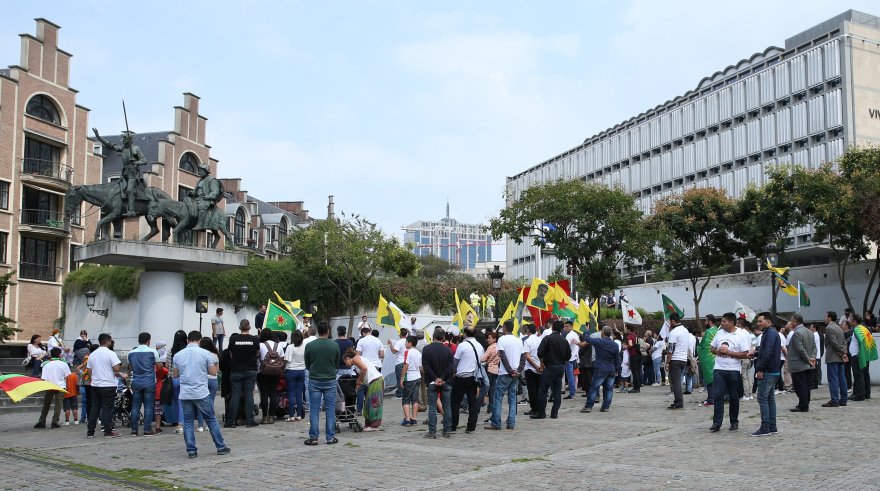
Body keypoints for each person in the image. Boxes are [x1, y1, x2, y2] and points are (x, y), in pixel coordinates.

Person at [173, 330, 230, 458]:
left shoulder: (178, 355)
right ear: (199, 340)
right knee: (211, 419)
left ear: (188, 340)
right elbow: (213, 372)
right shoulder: (205, 354)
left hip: (186, 393)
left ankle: (191, 450)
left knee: (188, 422)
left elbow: (175, 375)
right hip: (201, 392)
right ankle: (220, 446)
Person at [708, 313, 751, 432]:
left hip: (733, 370)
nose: (721, 323)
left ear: (732, 322)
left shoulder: (740, 335)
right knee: (717, 396)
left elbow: (745, 354)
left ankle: (734, 421)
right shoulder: (720, 333)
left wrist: (729, 353)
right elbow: (711, 348)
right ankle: (717, 423)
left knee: (734, 397)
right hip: (719, 369)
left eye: (724, 321)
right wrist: (718, 351)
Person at [92, 128, 146, 216]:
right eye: (123, 139)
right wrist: (98, 136)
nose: (123, 140)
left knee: (129, 190)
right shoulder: (122, 149)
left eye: (125, 138)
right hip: (124, 175)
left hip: (133, 175)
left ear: (129, 140)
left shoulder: (136, 149)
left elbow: (144, 161)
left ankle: (131, 210)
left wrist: (135, 162)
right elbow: (110, 145)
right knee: (115, 190)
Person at [303, 321, 340, 445]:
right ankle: (330, 437)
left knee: (314, 409)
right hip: (330, 379)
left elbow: (307, 363)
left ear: (318, 330)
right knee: (330, 409)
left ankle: (314, 437)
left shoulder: (310, 345)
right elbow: (336, 363)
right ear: (328, 331)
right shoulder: (334, 345)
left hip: (314, 379)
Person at [486, 320, 525, 430]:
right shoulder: (518, 340)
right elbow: (523, 357)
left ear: (504, 328)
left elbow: (502, 356)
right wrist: (517, 370)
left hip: (505, 373)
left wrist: (509, 370)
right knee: (512, 398)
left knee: (498, 398)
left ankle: (496, 423)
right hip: (515, 373)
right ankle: (511, 422)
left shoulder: (502, 340)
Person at [87, 333, 126, 438]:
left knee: (95, 407)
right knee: (107, 408)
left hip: (95, 384)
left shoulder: (92, 354)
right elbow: (116, 369)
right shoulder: (110, 353)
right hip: (108, 384)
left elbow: (89, 370)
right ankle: (108, 431)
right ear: (108, 341)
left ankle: (90, 431)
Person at [751, 312, 782, 436]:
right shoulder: (773, 333)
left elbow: (768, 353)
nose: (758, 324)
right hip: (773, 370)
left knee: (762, 398)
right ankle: (772, 426)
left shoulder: (769, 334)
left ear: (768, 322)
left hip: (768, 371)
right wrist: (756, 353)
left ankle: (765, 427)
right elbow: (767, 351)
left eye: (760, 321)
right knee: (770, 399)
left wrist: (760, 369)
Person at [225, 319, 260, 428]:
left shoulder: (234, 339)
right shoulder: (254, 339)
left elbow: (230, 354)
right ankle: (249, 420)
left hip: (236, 370)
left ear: (240, 327)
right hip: (250, 370)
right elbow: (257, 354)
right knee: (249, 395)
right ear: (249, 327)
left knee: (235, 396)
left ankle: (231, 421)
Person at [580, 326, 622, 413]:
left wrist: (587, 331)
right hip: (611, 369)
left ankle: (588, 406)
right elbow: (617, 359)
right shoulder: (614, 344)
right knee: (609, 388)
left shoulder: (600, 341)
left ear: (602, 333)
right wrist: (617, 370)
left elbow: (587, 339)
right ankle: (606, 407)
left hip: (601, 368)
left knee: (594, 387)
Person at [451, 326, 485, 433]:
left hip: (461, 377)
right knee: (472, 402)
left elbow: (455, 361)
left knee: (455, 402)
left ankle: (453, 425)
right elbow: (482, 362)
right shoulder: (479, 346)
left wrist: (454, 372)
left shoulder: (462, 345)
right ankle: (471, 426)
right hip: (473, 377)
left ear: (465, 334)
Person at [422, 328, 454, 438]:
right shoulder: (448, 350)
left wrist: (435, 378)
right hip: (446, 381)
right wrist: (442, 378)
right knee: (447, 406)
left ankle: (432, 431)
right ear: (443, 337)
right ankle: (447, 430)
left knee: (432, 407)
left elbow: (425, 366)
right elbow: (451, 367)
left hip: (432, 381)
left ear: (433, 336)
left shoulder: (426, 349)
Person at [128, 332, 161, 436]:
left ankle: (134, 430)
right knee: (148, 406)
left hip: (136, 382)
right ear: (148, 341)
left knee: (135, 406)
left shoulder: (131, 352)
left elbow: (131, 367)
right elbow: (159, 367)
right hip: (149, 382)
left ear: (138, 340)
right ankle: (147, 429)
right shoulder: (153, 351)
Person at [534, 321, 569, 419]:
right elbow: (568, 356)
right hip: (560, 367)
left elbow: (540, 352)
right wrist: (563, 364)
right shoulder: (564, 341)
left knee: (543, 390)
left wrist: (542, 362)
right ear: (562, 329)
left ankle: (541, 413)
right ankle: (554, 413)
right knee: (557, 391)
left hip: (549, 367)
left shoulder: (547, 338)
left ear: (552, 327)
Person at [342, 348, 384, 431]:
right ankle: (369, 424)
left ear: (347, 358)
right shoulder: (356, 361)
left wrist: (359, 382)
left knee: (374, 402)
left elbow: (364, 368)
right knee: (368, 402)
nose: (346, 365)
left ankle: (374, 425)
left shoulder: (355, 358)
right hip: (373, 381)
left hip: (375, 380)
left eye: (345, 362)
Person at [34, 347, 70, 429]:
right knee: (58, 405)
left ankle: (42, 421)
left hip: (49, 385)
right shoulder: (64, 364)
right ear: (60, 355)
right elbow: (67, 377)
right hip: (60, 386)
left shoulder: (46, 364)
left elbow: (43, 378)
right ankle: (55, 422)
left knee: (46, 404)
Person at [788, 314, 817, 412]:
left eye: (792, 321)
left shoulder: (797, 333)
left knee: (800, 386)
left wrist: (808, 359)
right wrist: (812, 358)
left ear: (795, 321)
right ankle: (804, 403)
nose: (791, 323)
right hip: (808, 364)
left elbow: (800, 349)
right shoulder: (809, 332)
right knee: (806, 385)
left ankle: (803, 405)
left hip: (799, 364)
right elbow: (814, 347)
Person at [355, 326, 384, 413]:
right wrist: (375, 356)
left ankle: (359, 409)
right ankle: (373, 408)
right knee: (374, 389)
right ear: (369, 331)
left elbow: (358, 355)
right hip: (376, 366)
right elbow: (382, 355)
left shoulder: (361, 341)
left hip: (365, 367)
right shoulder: (378, 340)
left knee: (361, 388)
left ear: (363, 333)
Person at [823, 311, 848, 407]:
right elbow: (844, 342)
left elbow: (834, 343)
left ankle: (834, 400)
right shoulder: (839, 328)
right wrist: (843, 352)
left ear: (830, 318)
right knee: (842, 378)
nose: (825, 318)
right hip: (840, 357)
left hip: (833, 357)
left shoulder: (829, 328)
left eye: (826, 316)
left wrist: (841, 352)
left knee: (833, 379)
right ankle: (844, 399)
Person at [196, 338, 220, 432]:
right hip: (213, 379)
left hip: (203, 379)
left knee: (201, 403)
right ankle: (209, 425)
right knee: (211, 403)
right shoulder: (214, 355)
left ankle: (200, 425)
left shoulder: (199, 354)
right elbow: (217, 370)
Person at [665, 313, 689, 409]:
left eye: (670, 321)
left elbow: (670, 349)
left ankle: (678, 402)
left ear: (673, 321)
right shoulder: (685, 330)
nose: (669, 323)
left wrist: (667, 362)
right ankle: (678, 401)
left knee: (676, 382)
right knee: (678, 381)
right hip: (683, 359)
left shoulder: (674, 332)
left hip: (675, 359)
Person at [257, 329, 281, 424]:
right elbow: (281, 359)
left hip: (263, 372)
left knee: (264, 394)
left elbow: (257, 356)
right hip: (275, 372)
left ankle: (264, 417)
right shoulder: (278, 345)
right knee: (273, 393)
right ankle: (271, 416)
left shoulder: (261, 345)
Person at [191, 163, 224, 230]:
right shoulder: (200, 181)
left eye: (201, 171)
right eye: (199, 170)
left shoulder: (212, 180)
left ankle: (200, 225)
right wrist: (193, 192)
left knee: (201, 206)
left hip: (207, 200)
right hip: (197, 198)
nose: (199, 172)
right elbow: (197, 190)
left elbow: (215, 191)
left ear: (206, 171)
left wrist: (208, 196)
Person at [283, 330, 307, 422]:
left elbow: (286, 360)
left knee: (291, 393)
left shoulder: (290, 347)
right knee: (299, 394)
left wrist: (282, 366)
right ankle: (299, 415)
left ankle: (291, 415)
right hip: (301, 371)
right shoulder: (304, 347)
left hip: (291, 371)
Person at [398, 335, 422, 426]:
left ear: (410, 343)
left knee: (406, 399)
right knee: (415, 399)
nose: (405, 344)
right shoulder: (418, 353)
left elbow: (405, 366)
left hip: (409, 376)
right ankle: (414, 418)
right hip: (417, 376)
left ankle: (407, 419)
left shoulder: (408, 352)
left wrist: (401, 379)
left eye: (406, 342)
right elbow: (420, 366)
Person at [521, 325, 542, 417]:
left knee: (532, 390)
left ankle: (534, 409)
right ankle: (538, 408)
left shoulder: (527, 341)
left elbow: (527, 356)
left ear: (528, 331)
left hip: (530, 368)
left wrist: (535, 366)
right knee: (538, 389)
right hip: (540, 367)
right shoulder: (540, 340)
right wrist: (540, 365)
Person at [481, 331, 501, 415]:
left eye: (490, 338)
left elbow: (483, 358)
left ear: (494, 339)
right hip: (497, 370)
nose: (488, 340)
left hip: (490, 370)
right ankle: (491, 407)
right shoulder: (499, 347)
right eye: (487, 338)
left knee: (485, 388)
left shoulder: (490, 347)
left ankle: (480, 404)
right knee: (493, 391)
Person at [388, 328, 408, 399]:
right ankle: (406, 393)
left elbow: (394, 351)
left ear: (400, 334)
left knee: (400, 378)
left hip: (399, 362)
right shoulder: (408, 341)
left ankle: (400, 394)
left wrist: (390, 344)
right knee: (406, 378)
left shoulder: (399, 342)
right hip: (407, 362)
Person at [563, 321, 581, 399]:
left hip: (570, 359)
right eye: (565, 326)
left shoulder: (569, 335)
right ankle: (572, 391)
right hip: (574, 358)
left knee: (570, 376)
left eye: (567, 326)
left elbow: (565, 347)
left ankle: (572, 393)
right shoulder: (575, 334)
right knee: (573, 375)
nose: (565, 328)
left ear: (571, 327)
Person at [624, 324, 642, 393]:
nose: (625, 330)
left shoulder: (629, 336)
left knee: (634, 372)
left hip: (633, 355)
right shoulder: (635, 335)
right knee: (637, 371)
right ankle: (638, 387)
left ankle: (636, 388)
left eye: (626, 328)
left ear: (628, 329)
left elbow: (630, 344)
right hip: (638, 354)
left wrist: (626, 347)